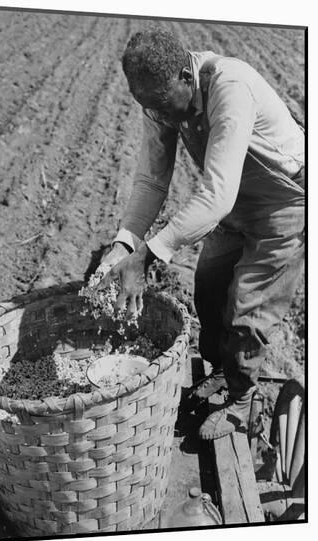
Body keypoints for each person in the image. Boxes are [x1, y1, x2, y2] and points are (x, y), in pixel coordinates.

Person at [97, 28, 305, 440]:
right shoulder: (158, 102)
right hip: (232, 204)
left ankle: (242, 402)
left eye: (161, 104)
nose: (159, 116)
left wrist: (147, 257)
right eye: (147, 106)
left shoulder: (230, 86)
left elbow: (216, 191)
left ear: (185, 77)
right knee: (208, 288)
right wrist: (124, 243)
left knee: (248, 308)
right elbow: (152, 181)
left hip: (283, 204)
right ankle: (221, 373)